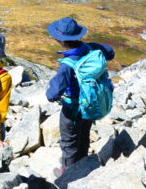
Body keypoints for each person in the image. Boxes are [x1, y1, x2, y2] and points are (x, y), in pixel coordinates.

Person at [45, 17, 115, 175]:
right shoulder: (92, 48)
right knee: (83, 134)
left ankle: (68, 174)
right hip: (90, 103)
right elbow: (110, 52)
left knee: (69, 140)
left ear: (61, 40)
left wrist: (49, 94)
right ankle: (83, 163)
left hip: (72, 107)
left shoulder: (67, 64)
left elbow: (53, 93)